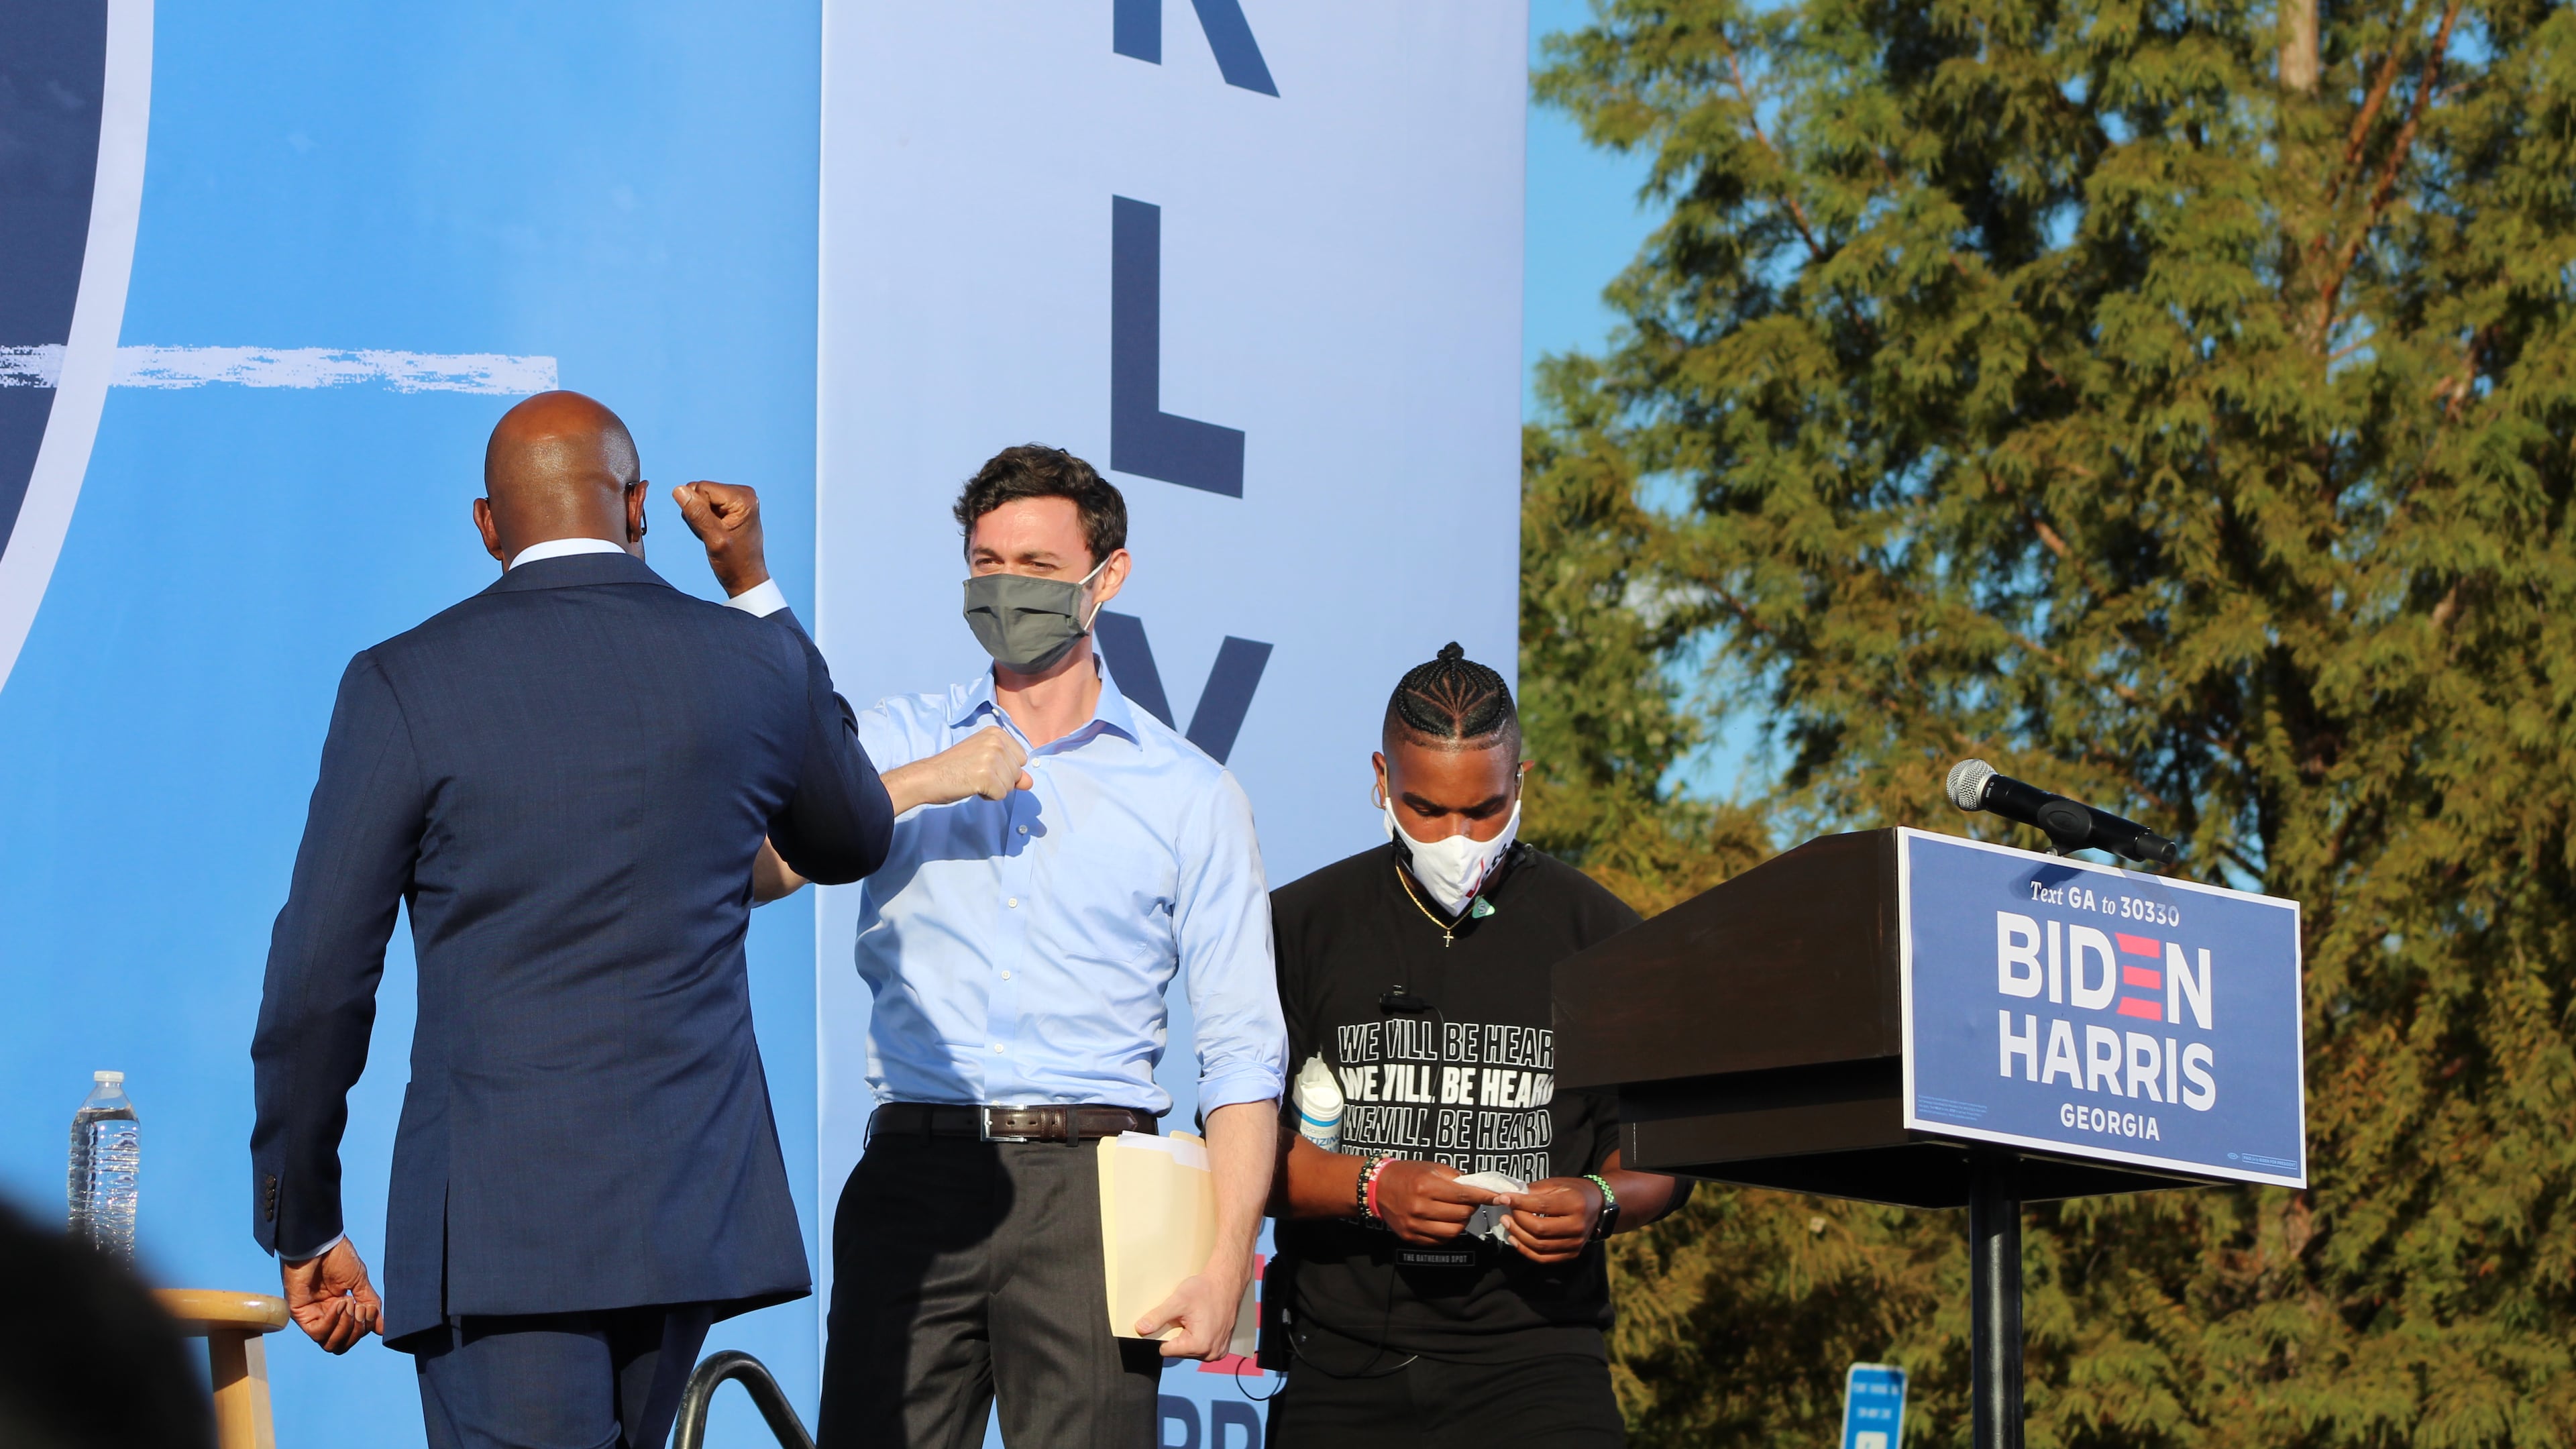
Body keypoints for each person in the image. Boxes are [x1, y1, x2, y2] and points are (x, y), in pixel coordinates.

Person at [249, 391, 903, 1449]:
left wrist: (303, 1211)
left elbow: (318, 980)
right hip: (689, 1214)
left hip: (503, 1231)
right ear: (638, 505)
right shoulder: (751, 661)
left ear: (486, 524)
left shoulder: (406, 681)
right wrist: (757, 592)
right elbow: (854, 834)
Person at [751, 443, 1284, 1449]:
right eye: (986, 562)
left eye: (1036, 567)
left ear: (1107, 575)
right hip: (915, 1173)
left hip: (1096, 1200)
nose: (1006, 587)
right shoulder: (896, 741)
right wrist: (916, 785)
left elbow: (1244, 1052)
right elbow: (756, 871)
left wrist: (1225, 1261)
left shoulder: (1191, 793)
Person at [1261, 643, 1691, 1449]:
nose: (1458, 839)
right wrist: (1370, 1187)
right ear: (1382, 780)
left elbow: (1664, 1158)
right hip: (1339, 1366)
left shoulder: (1603, 937)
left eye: (1486, 809)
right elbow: (1240, 1146)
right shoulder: (1297, 927)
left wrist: (1597, 1200)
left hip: (1541, 1363)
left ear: (1522, 781)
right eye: (1426, 809)